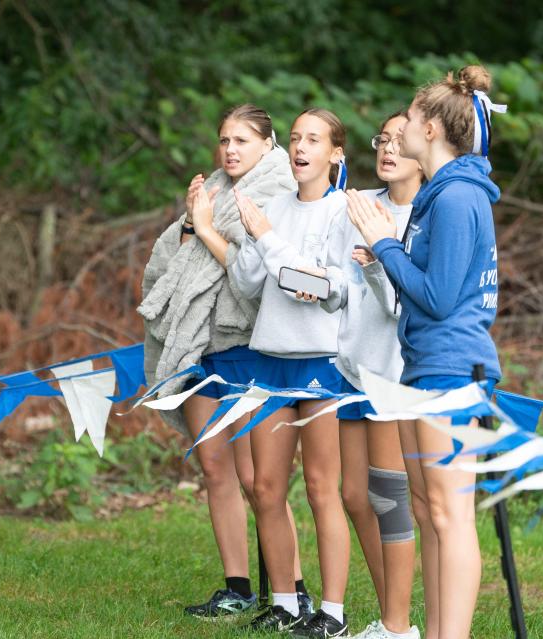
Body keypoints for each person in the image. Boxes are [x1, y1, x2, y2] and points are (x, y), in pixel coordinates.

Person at [348, 65, 504, 639]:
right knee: (426, 510)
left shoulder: (459, 196)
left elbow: (438, 297)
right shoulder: (438, 196)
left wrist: (383, 242)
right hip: (422, 365)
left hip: (452, 367)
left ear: (433, 129)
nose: (400, 129)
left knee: (450, 514)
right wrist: (387, 247)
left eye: (410, 118)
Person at [139, 104, 310, 620]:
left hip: (249, 344)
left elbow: (252, 273)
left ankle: (292, 589)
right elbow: (177, 252)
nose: (230, 149)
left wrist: (207, 226)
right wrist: (195, 224)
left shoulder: (282, 192)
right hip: (199, 342)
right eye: (224, 140)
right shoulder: (211, 189)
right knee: (215, 468)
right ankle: (237, 587)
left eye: (241, 140)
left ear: (268, 143)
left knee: (263, 480)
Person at [229, 108, 352, 637]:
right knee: (266, 487)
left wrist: (297, 268)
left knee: (323, 489)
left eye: (315, 139)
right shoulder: (272, 205)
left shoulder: (345, 210)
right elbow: (250, 284)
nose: (302, 148)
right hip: (270, 359)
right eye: (296, 138)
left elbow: (333, 289)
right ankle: (285, 602)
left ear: (335, 154)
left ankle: (333, 614)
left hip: (321, 363)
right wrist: (255, 239)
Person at [315, 111, 422, 639]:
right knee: (354, 496)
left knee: (387, 499)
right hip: (349, 367)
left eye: (400, 141)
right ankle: (391, 617)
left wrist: (379, 262)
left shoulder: (425, 218)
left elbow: (405, 306)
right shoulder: (356, 207)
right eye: (383, 139)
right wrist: (318, 286)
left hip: (393, 373)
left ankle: (397, 627)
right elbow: (341, 285)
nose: (387, 149)